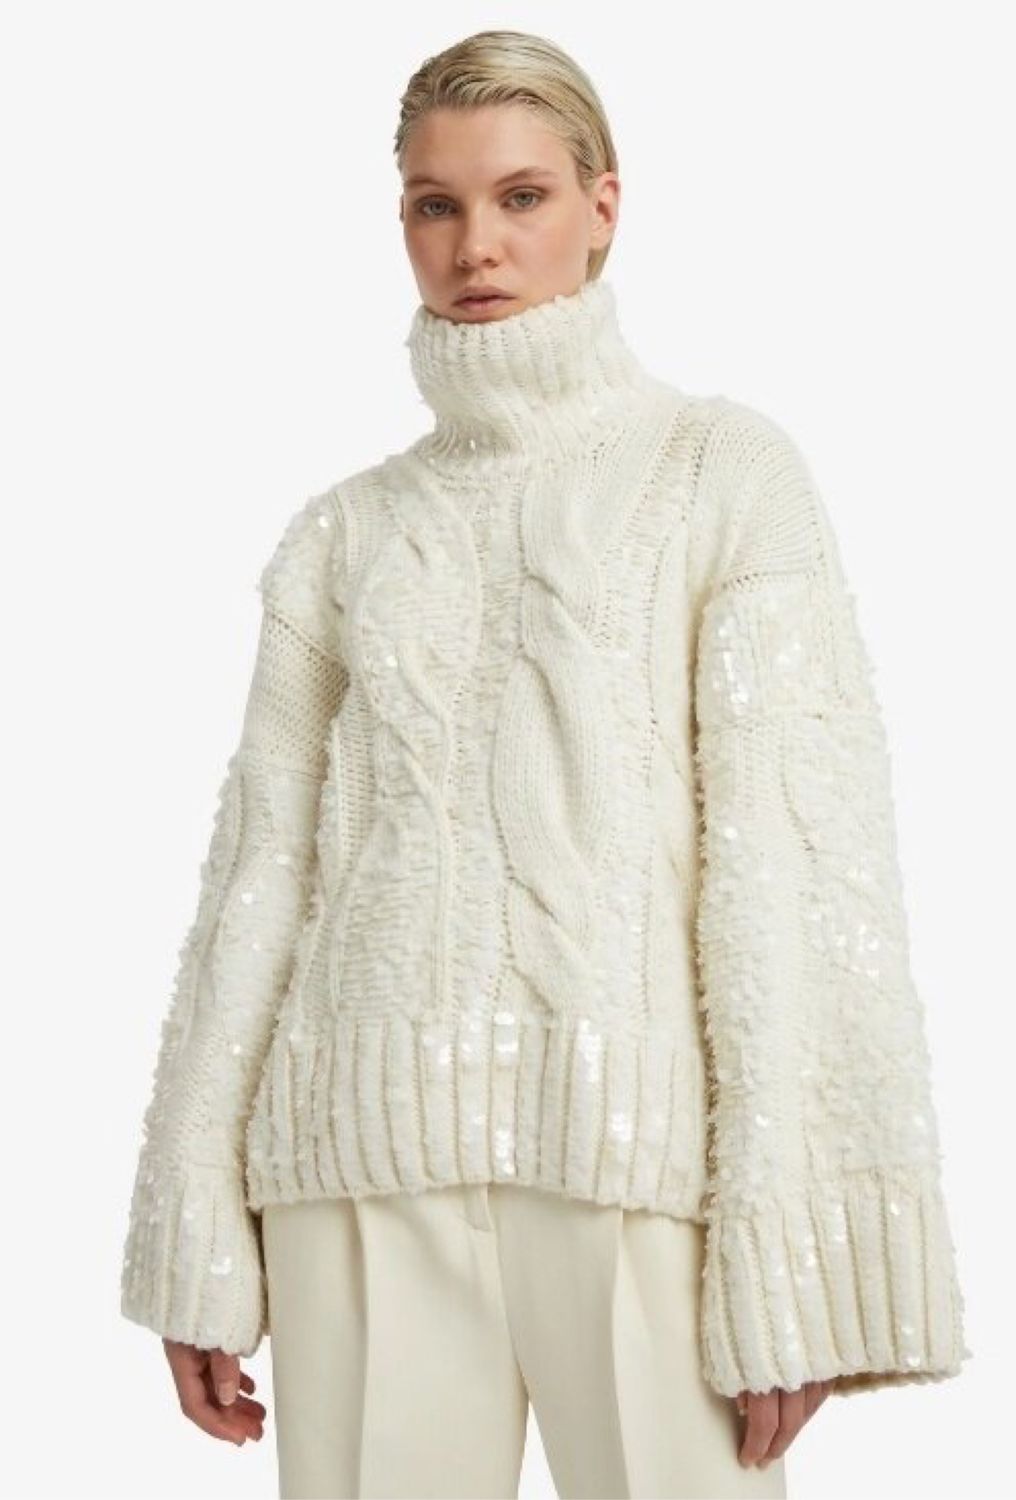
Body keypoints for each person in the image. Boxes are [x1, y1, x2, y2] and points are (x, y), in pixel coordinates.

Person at [119, 28, 971, 1500]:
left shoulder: (724, 472)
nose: (477, 245)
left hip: (639, 1175)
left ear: (603, 204)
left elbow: (789, 866)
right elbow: (255, 882)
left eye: (521, 196)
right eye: (435, 204)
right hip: (352, 1176)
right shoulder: (340, 536)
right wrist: (193, 1224)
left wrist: (787, 1251)